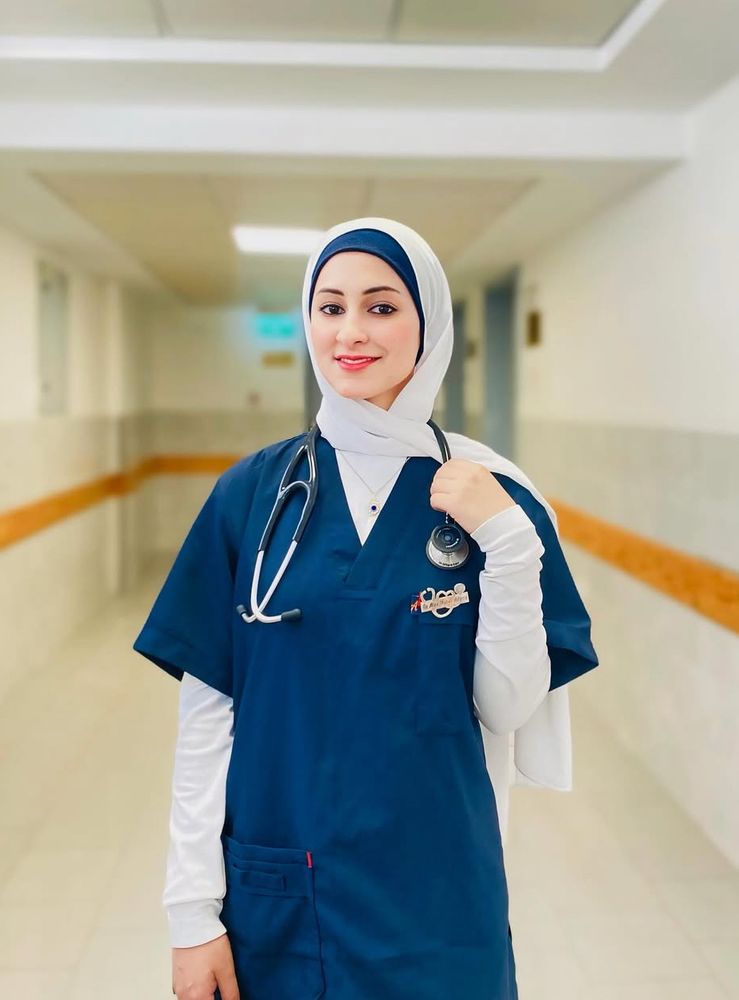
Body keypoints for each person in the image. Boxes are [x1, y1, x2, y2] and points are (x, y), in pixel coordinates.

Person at [133, 217, 599, 1000]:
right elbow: (207, 718)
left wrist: (511, 546)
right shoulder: (251, 496)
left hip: (440, 893)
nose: (350, 331)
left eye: (381, 307)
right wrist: (190, 914)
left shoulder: (493, 497)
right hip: (281, 883)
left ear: (429, 324)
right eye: (329, 306)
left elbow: (506, 704)